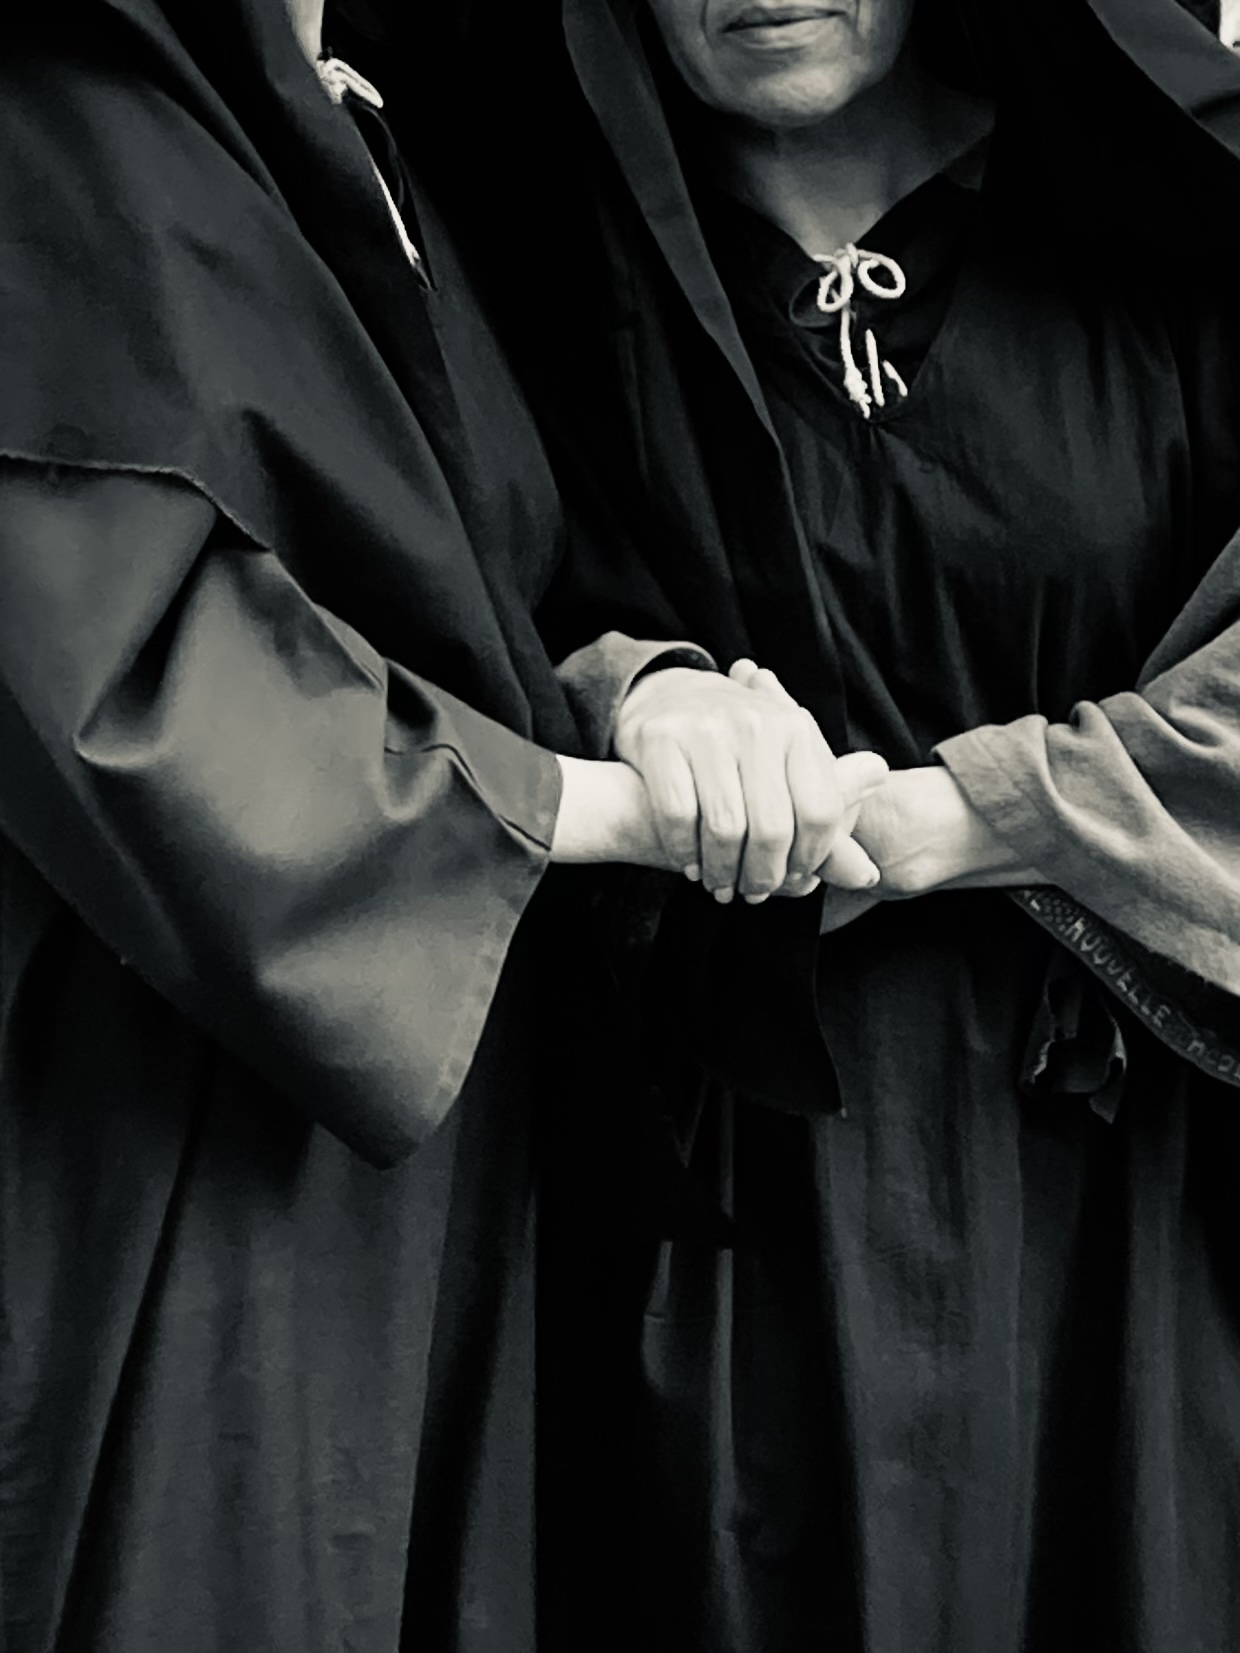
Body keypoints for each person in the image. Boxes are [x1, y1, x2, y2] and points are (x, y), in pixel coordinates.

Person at [0, 2, 897, 1648]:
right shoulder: (54, 110)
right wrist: (610, 805)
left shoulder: (358, 136)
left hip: (435, 1157)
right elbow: (128, 679)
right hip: (173, 1136)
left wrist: (653, 689)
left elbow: (486, 590)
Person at [414, 0, 1240, 1648]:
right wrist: (635, 690)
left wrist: (976, 812)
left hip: (1120, 1201)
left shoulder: (1176, 229)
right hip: (723, 1202)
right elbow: (442, 606)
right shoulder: (525, 267)